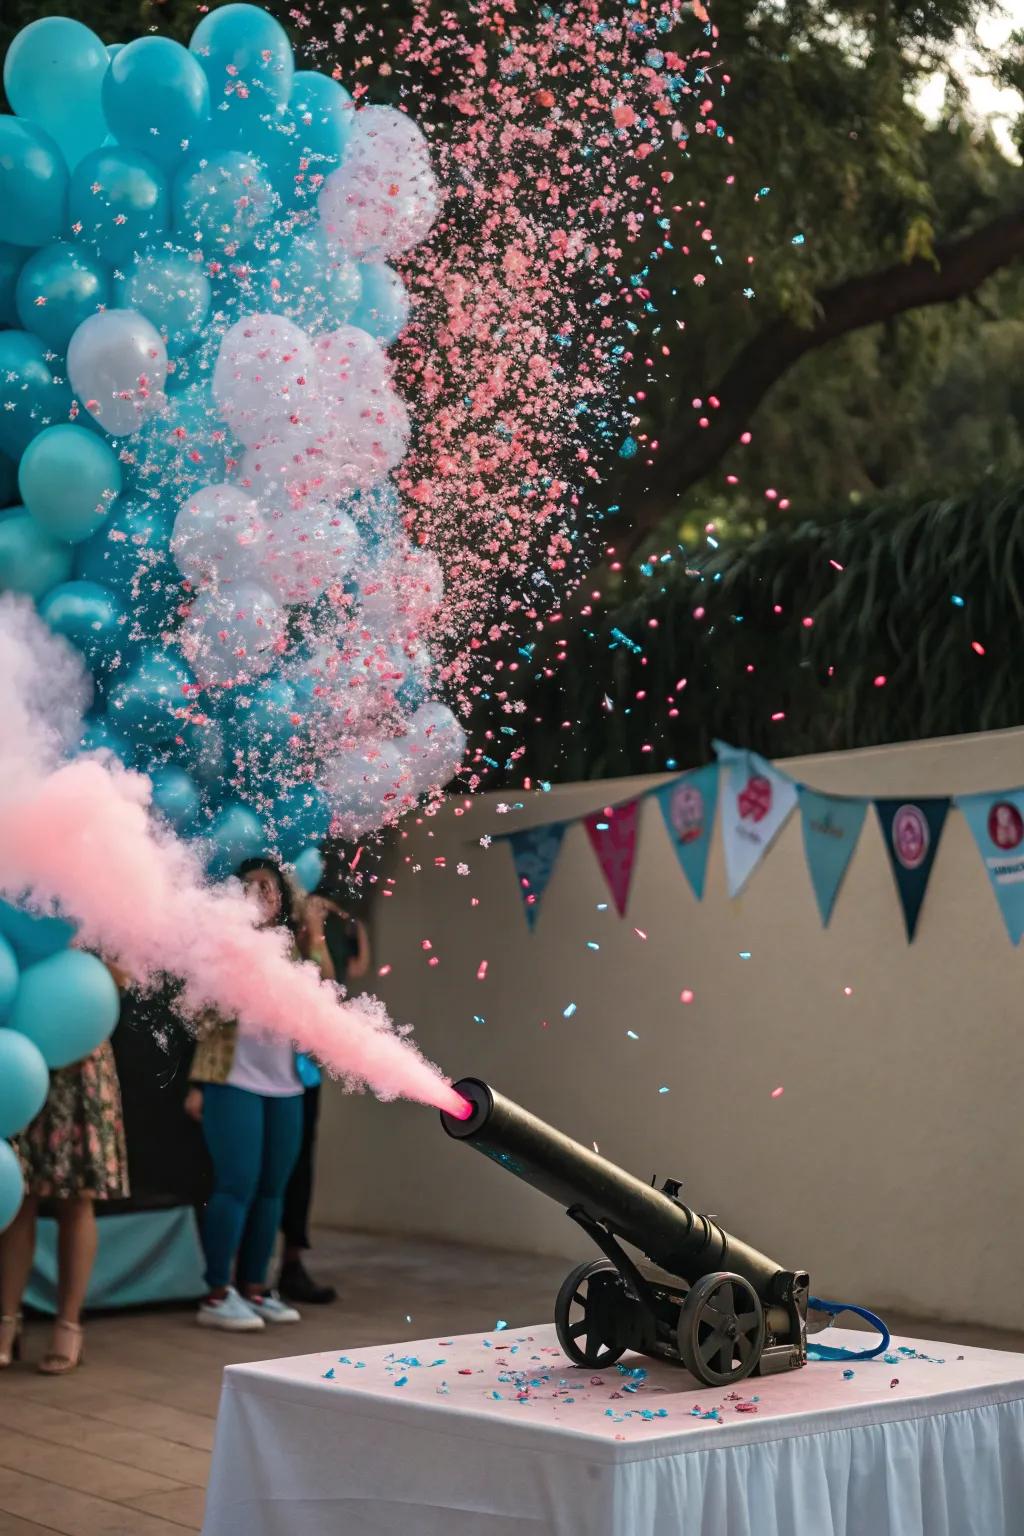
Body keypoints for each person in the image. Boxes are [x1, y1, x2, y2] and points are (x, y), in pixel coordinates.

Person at [186, 857, 335, 1331]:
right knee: (236, 1187)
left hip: (286, 1084)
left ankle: (253, 1287)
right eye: (248, 888)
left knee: (273, 1191)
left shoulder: (291, 949)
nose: (259, 895)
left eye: (268, 888)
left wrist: (314, 939)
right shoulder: (221, 945)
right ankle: (215, 1293)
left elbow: (326, 993)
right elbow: (201, 1014)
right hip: (232, 1080)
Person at [0, 956, 131, 1375]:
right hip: (22, 1057)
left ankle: (69, 1325)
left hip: (80, 1059)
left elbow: (120, 979)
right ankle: (7, 1323)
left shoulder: (104, 904)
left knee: (78, 1199)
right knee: (20, 1197)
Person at [278, 897, 370, 1305]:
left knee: (299, 1174)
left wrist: (320, 933)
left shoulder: (312, 949)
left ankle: (290, 1265)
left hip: (302, 1079)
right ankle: (246, 1277)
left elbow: (333, 984)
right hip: (263, 1078)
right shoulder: (270, 949)